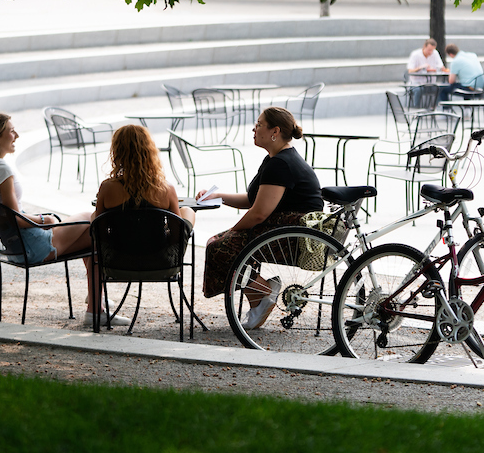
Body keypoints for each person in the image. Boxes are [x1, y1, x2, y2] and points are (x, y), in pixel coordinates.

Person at [197, 106, 322, 329]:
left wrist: (231, 231)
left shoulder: (280, 164)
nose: (253, 129)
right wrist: (217, 196)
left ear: (275, 130)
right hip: (285, 230)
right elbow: (252, 199)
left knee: (221, 246)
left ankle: (262, 294)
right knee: (223, 242)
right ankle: (260, 293)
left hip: (295, 237)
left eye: (258, 125)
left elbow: (259, 213)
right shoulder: (277, 159)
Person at [0, 113, 101, 312]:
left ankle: (95, 304)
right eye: (11, 131)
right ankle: (95, 304)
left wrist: (39, 219)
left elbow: (9, 213)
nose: (17, 135)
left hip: (15, 248)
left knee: (94, 237)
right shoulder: (1, 170)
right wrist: (42, 219)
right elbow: (16, 218)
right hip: (33, 246)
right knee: (92, 219)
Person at [90, 124, 194, 324]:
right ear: (149, 151)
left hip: (117, 263)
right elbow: (175, 235)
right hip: (161, 263)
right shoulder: (166, 188)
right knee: (187, 213)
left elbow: (101, 233)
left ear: (117, 152)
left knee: (94, 217)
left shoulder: (107, 188)